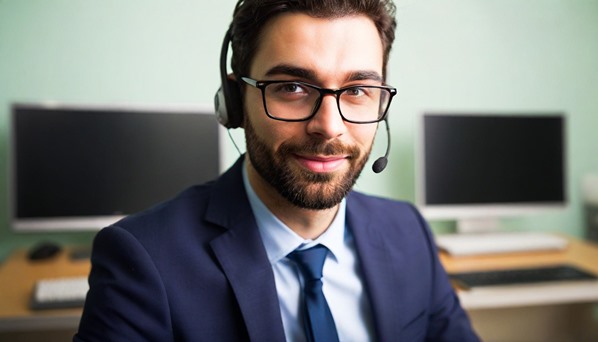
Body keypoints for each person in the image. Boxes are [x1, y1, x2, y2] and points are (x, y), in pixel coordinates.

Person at [75, 0, 479, 341]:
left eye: (357, 91)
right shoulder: (143, 258)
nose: (329, 126)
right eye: (292, 88)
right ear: (235, 101)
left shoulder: (408, 230)